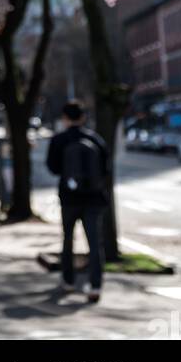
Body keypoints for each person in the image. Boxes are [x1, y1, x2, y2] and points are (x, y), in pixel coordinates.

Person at [46, 100, 109, 302]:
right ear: (82, 117)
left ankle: (68, 281)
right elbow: (106, 169)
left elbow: (54, 168)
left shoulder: (59, 140)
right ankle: (95, 286)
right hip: (93, 199)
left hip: (69, 198)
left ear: (65, 118)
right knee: (94, 243)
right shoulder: (96, 139)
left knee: (67, 240)